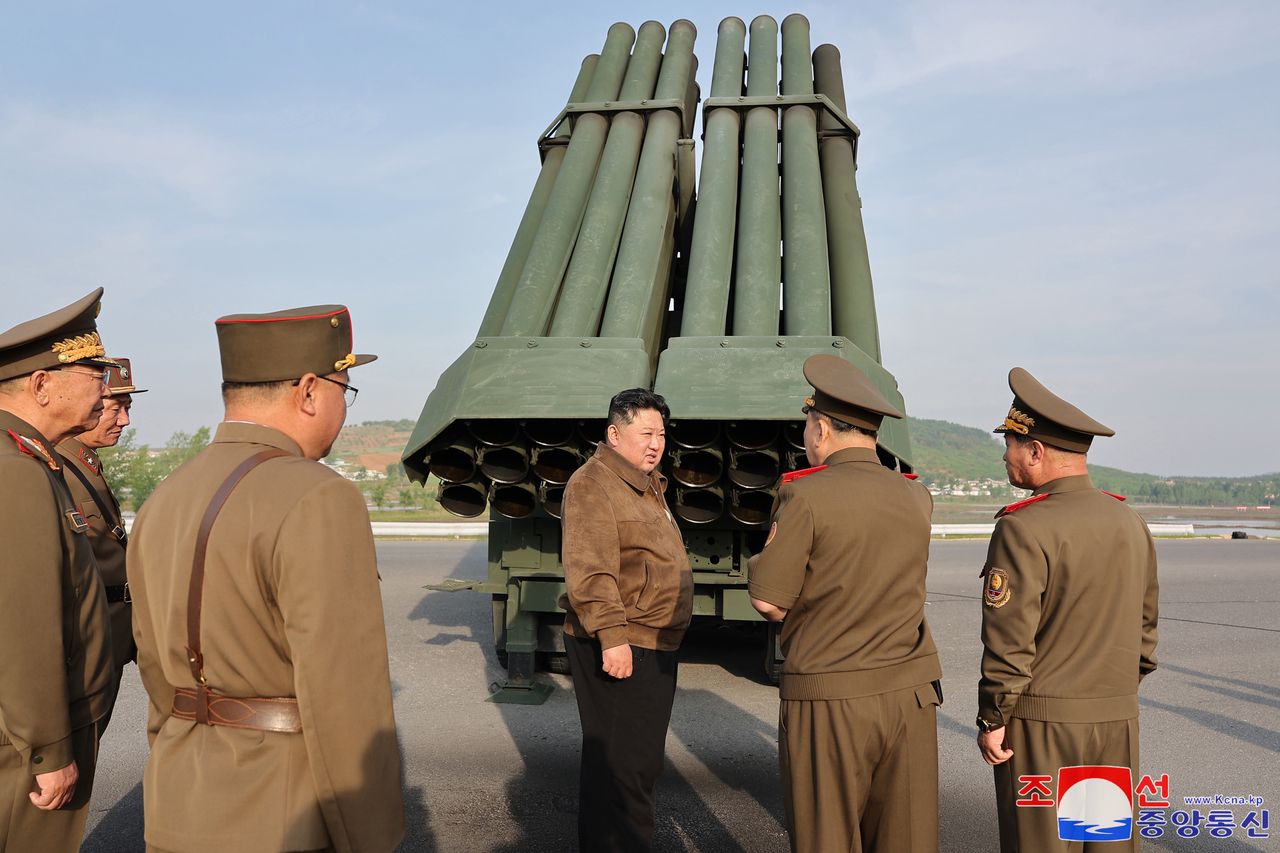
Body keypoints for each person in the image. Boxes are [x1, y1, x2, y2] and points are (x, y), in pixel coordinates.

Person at [127, 304, 404, 852]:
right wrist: (370, 835)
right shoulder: (319, 495)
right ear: (307, 391)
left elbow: (155, 667)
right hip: (283, 810)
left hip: (177, 795)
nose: (343, 410)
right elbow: (343, 690)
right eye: (342, 391)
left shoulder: (166, 495)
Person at [749, 354, 942, 853]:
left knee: (827, 839)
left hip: (832, 695)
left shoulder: (807, 496)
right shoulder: (916, 496)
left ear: (822, 430)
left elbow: (769, 601)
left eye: (808, 424)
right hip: (910, 692)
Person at [977, 367, 1159, 852]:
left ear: (1036, 452)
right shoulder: (1130, 522)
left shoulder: (1023, 528)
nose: (1005, 454)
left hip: (1043, 729)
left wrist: (993, 717)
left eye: (1012, 442)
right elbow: (1145, 635)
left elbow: (1009, 644)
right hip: (1114, 721)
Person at [0, 288, 116, 852]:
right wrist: (49, 748)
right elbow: (23, 623)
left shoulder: (29, 458)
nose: (105, 385)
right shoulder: (17, 470)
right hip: (24, 742)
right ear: (43, 384)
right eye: (93, 371)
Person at [559, 388, 693, 852]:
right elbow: (590, 569)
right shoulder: (593, 483)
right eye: (645, 433)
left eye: (661, 434)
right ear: (614, 434)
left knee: (636, 766)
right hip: (624, 645)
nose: (655, 443)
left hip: (653, 642)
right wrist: (611, 638)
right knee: (620, 771)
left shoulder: (645, 484)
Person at [57, 356, 147, 731]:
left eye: (128, 408)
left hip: (110, 642)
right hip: (83, 652)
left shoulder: (86, 464)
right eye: (115, 408)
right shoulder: (57, 469)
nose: (124, 420)